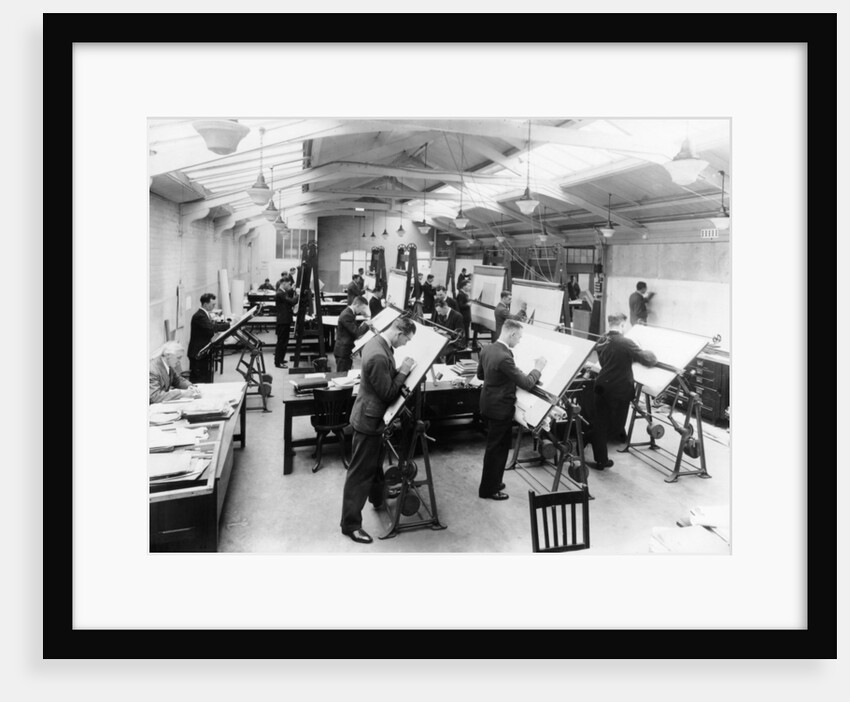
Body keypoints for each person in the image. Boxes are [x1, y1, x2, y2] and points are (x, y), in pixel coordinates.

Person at [340, 317, 417, 544]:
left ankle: (377, 498)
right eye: (406, 339)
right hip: (369, 420)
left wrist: (398, 371)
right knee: (360, 473)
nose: (405, 344)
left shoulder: (378, 343)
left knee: (374, 466)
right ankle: (350, 525)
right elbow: (388, 393)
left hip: (371, 416)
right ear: (398, 332)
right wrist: (403, 371)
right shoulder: (378, 355)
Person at [475, 319, 546, 500]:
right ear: (512, 334)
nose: (519, 341)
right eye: (519, 337)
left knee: (496, 447)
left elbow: (481, 375)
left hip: (488, 404)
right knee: (497, 450)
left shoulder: (488, 349)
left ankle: (494, 482)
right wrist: (537, 369)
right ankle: (489, 489)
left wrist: (506, 375)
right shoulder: (505, 357)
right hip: (500, 409)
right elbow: (527, 384)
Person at [588, 313, 657, 470]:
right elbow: (647, 359)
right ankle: (594, 439)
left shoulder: (602, 340)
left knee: (600, 423)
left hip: (601, 385)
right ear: (622, 325)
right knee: (616, 426)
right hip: (619, 389)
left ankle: (601, 459)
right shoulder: (625, 342)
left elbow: (606, 360)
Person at [187, 293, 230, 383]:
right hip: (197, 353)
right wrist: (228, 325)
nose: (214, 306)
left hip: (202, 351)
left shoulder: (204, 314)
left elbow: (211, 325)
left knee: (205, 377)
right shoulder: (200, 316)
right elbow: (211, 328)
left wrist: (224, 324)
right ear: (205, 304)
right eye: (212, 304)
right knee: (199, 380)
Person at [334, 295, 370, 373]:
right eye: (363, 308)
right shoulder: (347, 315)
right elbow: (357, 332)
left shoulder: (350, 313)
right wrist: (366, 324)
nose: (362, 310)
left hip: (346, 351)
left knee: (345, 374)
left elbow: (352, 332)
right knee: (341, 376)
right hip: (342, 352)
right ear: (357, 305)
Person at [274, 275, 298, 369]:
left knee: (284, 341)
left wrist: (292, 289)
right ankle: (278, 362)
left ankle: (280, 359)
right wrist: (298, 295)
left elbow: (287, 294)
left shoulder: (282, 292)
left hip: (284, 320)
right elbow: (291, 302)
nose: (289, 286)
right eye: (288, 284)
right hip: (283, 321)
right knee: (281, 342)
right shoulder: (280, 293)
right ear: (284, 283)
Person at [433, 298, 466, 364]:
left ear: (445, 307)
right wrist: (437, 329)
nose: (438, 313)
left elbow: (460, 335)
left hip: (455, 343)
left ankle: (443, 367)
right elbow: (440, 326)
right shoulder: (442, 315)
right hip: (445, 340)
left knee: (436, 353)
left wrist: (445, 332)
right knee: (432, 349)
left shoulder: (457, 316)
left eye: (439, 311)